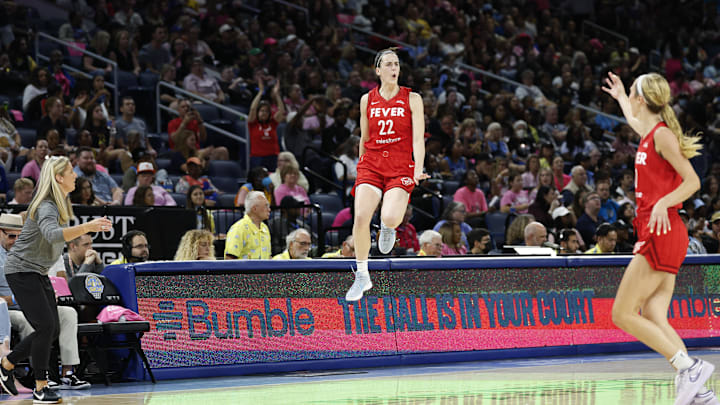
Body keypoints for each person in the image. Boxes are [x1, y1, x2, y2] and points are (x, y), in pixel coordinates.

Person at [603, 71, 713, 404]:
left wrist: (665, 200)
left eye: (632, 94)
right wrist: (621, 96)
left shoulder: (662, 135)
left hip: (661, 228)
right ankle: (701, 393)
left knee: (622, 314)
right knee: (654, 314)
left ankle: (688, 368)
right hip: (665, 230)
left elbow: (693, 181)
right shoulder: (650, 132)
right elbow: (634, 120)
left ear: (642, 98)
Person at [0, 156, 111, 402]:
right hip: (21, 270)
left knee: (52, 328)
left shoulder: (59, 202)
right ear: (59, 177)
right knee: (45, 327)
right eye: (71, 171)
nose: (75, 175)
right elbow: (52, 235)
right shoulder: (47, 204)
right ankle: (40, 387)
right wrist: (87, 226)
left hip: (37, 271)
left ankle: (7, 363)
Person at [346, 48, 428, 301]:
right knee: (360, 217)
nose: (394, 68)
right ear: (378, 70)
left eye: (397, 64)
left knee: (391, 217)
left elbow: (418, 139)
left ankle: (387, 226)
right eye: (388, 64)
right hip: (371, 163)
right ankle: (362, 275)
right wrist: (360, 163)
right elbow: (365, 136)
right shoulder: (366, 99)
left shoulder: (412, 98)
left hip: (400, 165)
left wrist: (417, 168)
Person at [224, 191, 271, 260]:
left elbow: (268, 257)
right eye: (266, 206)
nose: (269, 209)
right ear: (254, 209)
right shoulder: (239, 228)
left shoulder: (265, 228)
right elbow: (229, 259)